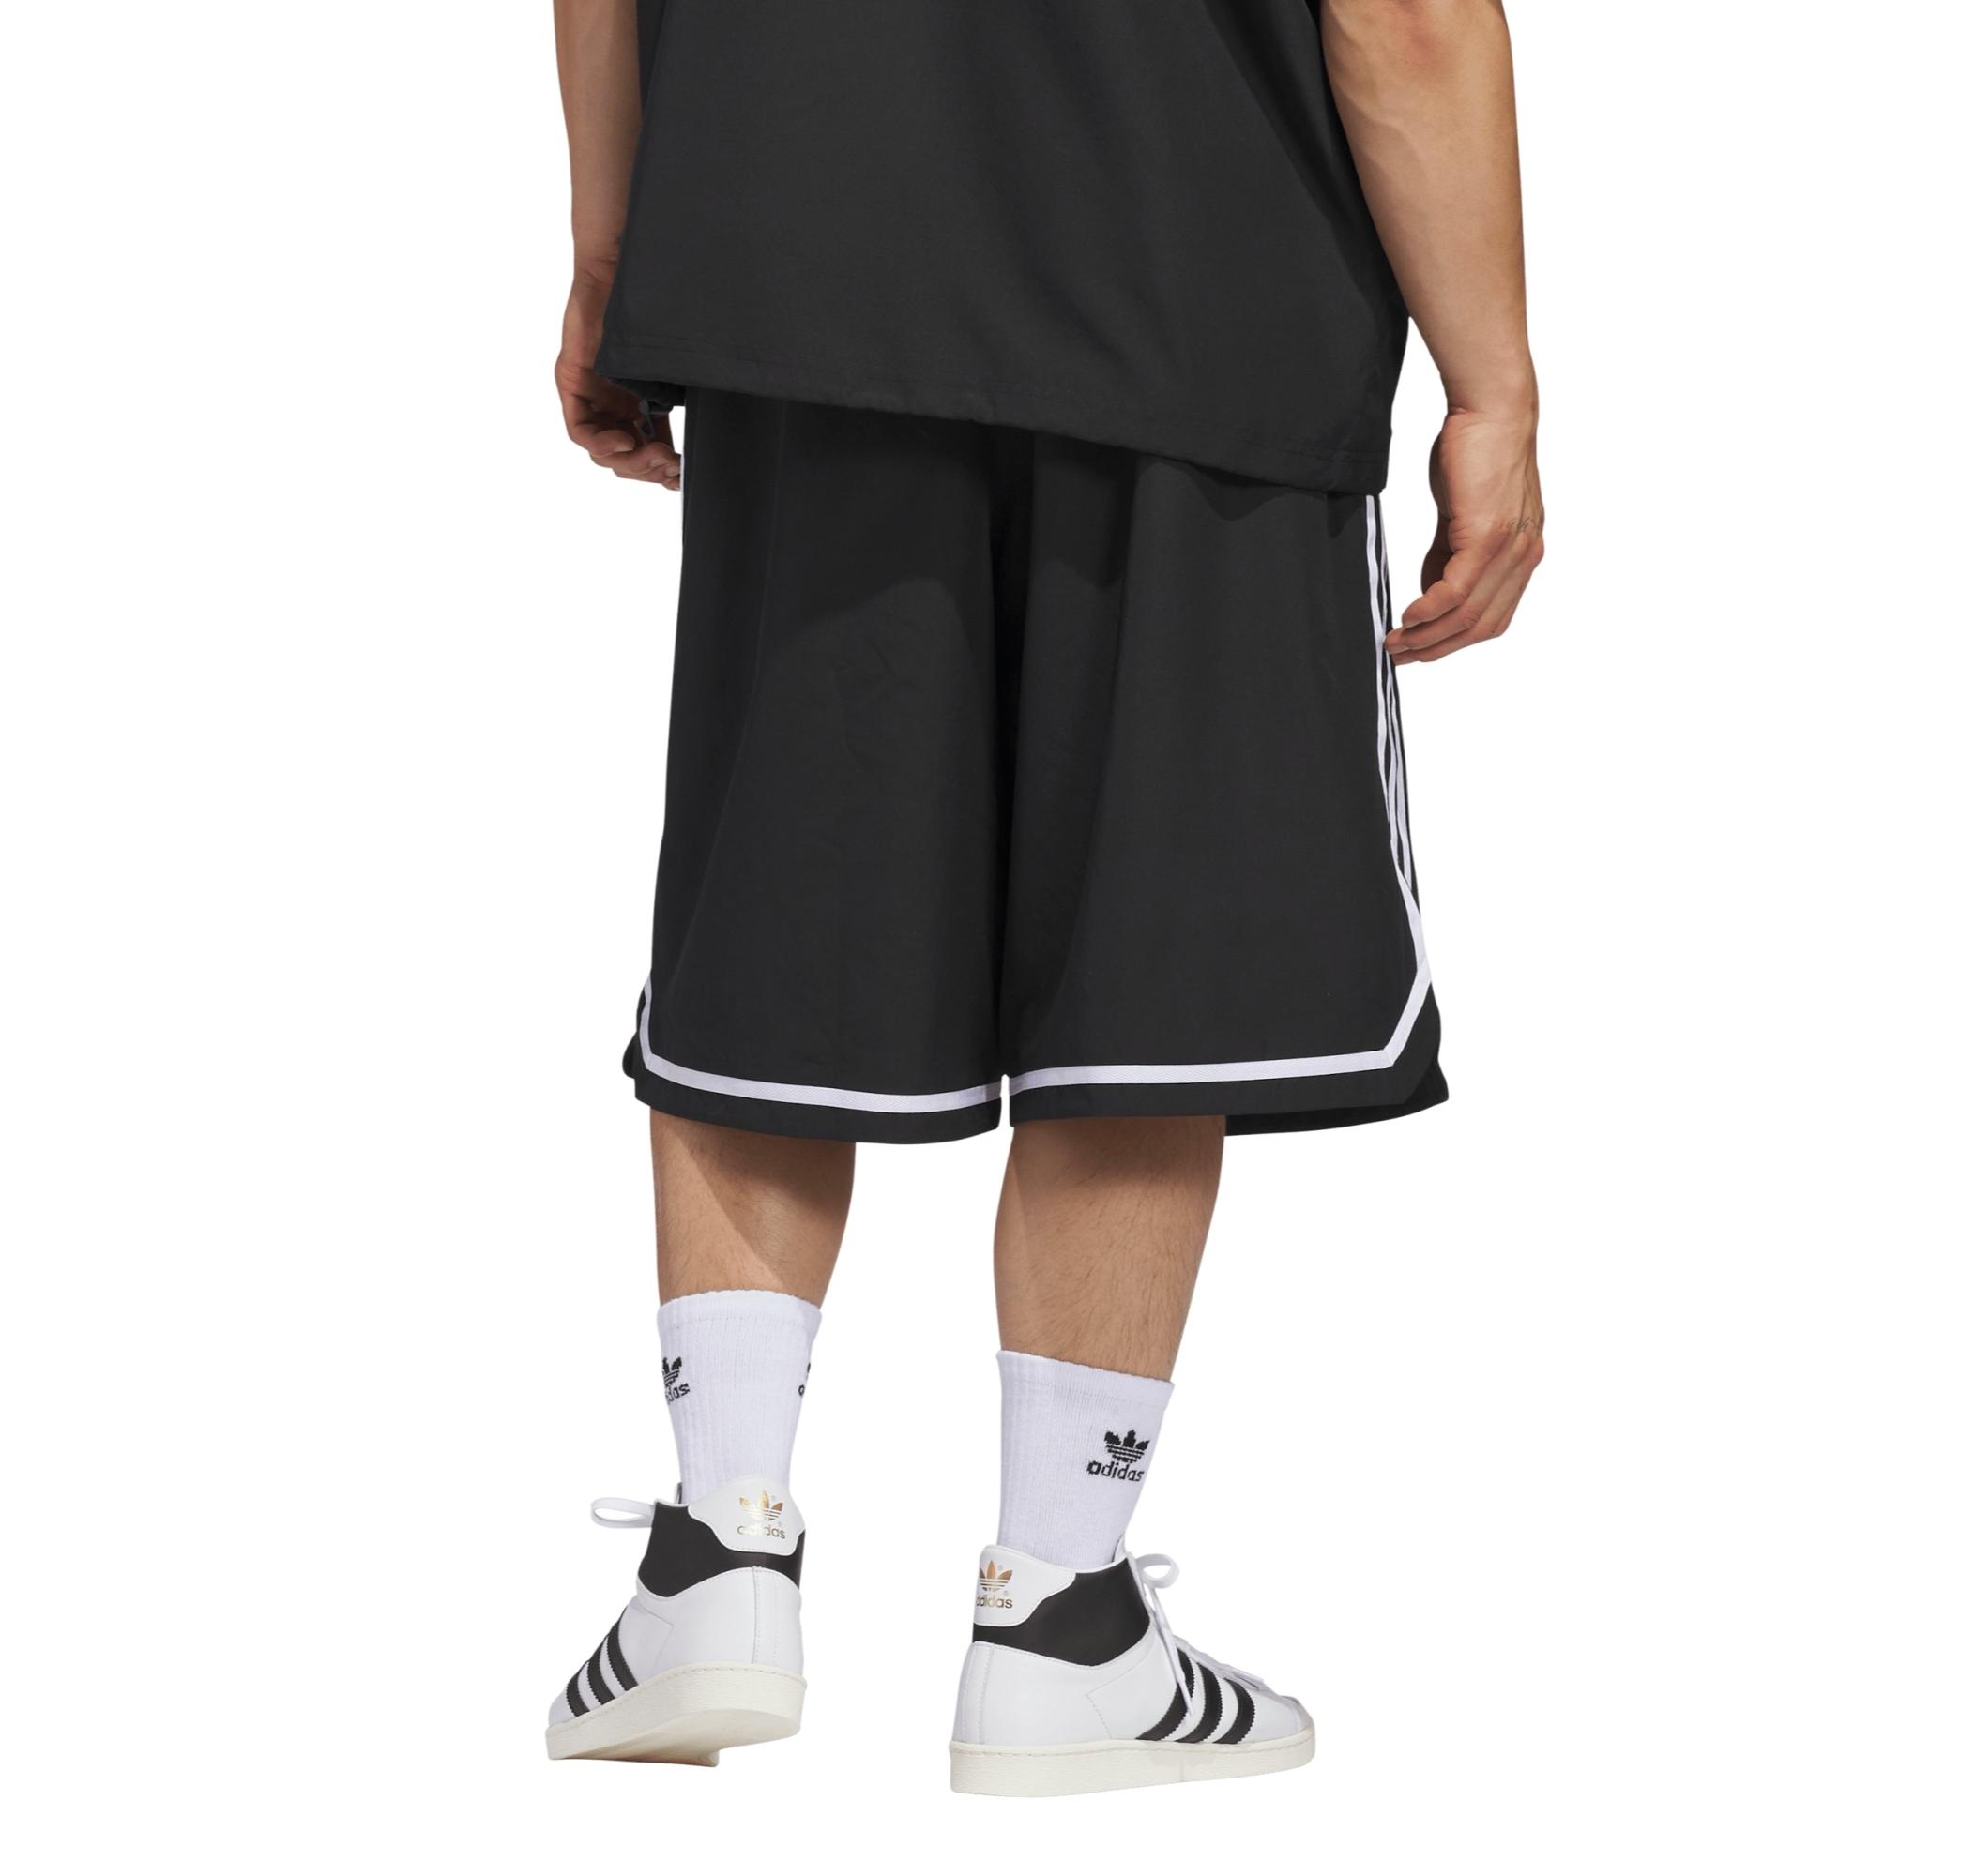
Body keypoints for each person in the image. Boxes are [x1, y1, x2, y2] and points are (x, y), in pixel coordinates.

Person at [545, 0, 1542, 1797]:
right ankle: (1059, 1618)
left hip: (803, 260)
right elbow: (1397, 15)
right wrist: (1494, 388)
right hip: (1196, 285)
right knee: (1146, 970)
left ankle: (715, 1563)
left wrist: (616, 243)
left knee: (780, 925)